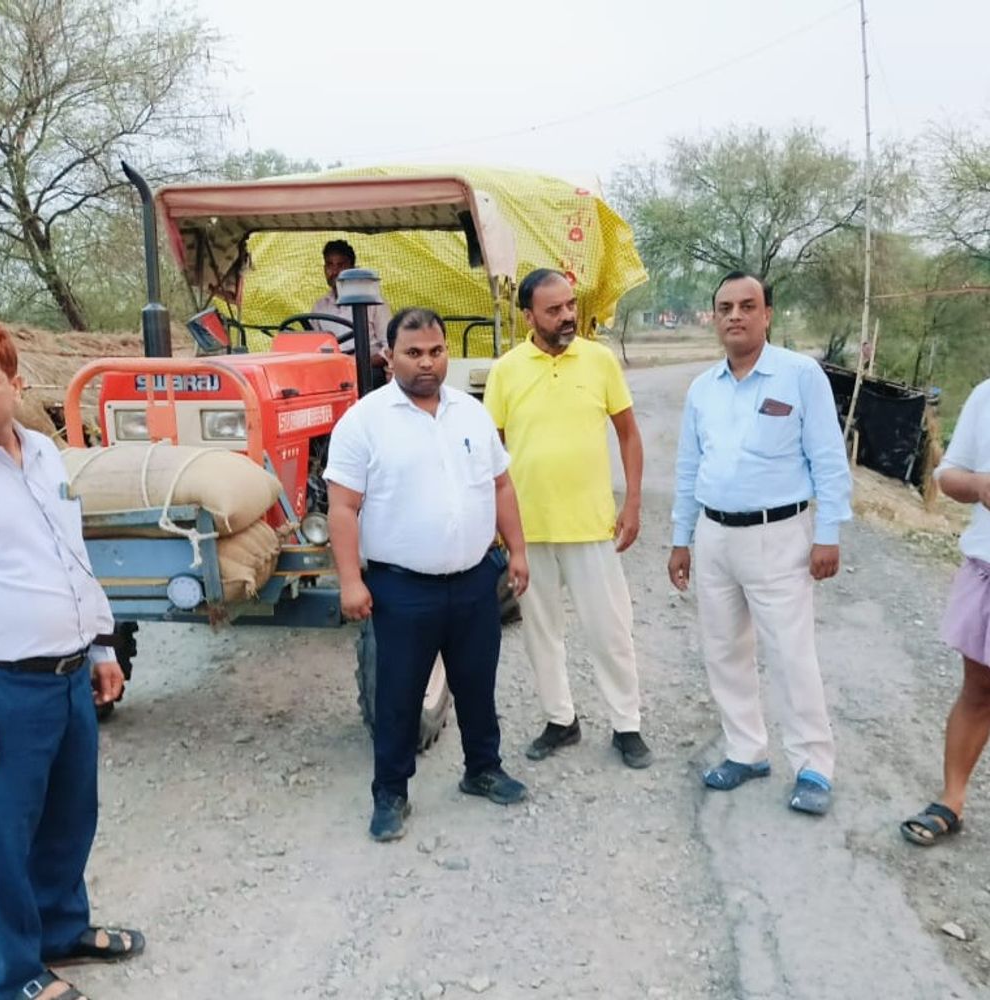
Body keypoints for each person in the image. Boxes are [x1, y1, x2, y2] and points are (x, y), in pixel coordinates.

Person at [325, 307, 530, 842]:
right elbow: (342, 508)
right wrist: (351, 580)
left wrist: (519, 552)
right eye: (413, 353)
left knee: (477, 683)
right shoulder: (364, 421)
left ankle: (482, 769)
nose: (426, 363)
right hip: (401, 587)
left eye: (436, 352)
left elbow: (501, 486)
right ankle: (390, 794)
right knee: (397, 695)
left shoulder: (470, 413)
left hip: (472, 581)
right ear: (389, 355)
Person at [0, 323, 144, 1000]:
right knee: (1, 834)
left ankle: (59, 930)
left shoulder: (46, 456)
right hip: (3, 687)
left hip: (68, 673)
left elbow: (74, 559)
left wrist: (103, 646)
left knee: (68, 813)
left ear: (15, 384)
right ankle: (10, 973)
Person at [668, 272, 852, 816]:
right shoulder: (703, 388)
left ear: (767, 314)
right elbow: (687, 468)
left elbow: (827, 457)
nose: (735, 316)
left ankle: (813, 765)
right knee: (724, 649)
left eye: (747, 306)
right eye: (725, 307)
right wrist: (681, 539)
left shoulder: (799, 376)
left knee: (790, 651)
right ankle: (745, 750)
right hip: (716, 535)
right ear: (714, 317)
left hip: (779, 536)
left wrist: (829, 533)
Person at [483, 269, 653, 769]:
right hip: (528, 529)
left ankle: (627, 725)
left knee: (610, 630)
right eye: (554, 309)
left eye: (570, 306)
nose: (567, 317)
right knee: (541, 633)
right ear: (529, 314)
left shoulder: (599, 361)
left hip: (590, 526)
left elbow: (629, 435)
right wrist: (497, 522)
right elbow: (491, 451)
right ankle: (561, 721)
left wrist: (634, 502)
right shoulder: (506, 370)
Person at [901, 378, 990, 845]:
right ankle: (952, 798)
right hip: (988, 568)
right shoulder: (986, 396)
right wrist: (979, 485)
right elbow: (947, 475)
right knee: (978, 689)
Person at [310, 239, 392, 389]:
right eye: (329, 265)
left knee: (368, 378)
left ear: (352, 268)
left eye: (340, 265)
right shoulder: (319, 307)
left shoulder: (374, 303)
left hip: (367, 369)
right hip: (331, 369)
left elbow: (389, 347)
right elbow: (314, 346)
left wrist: (357, 362)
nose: (334, 272)